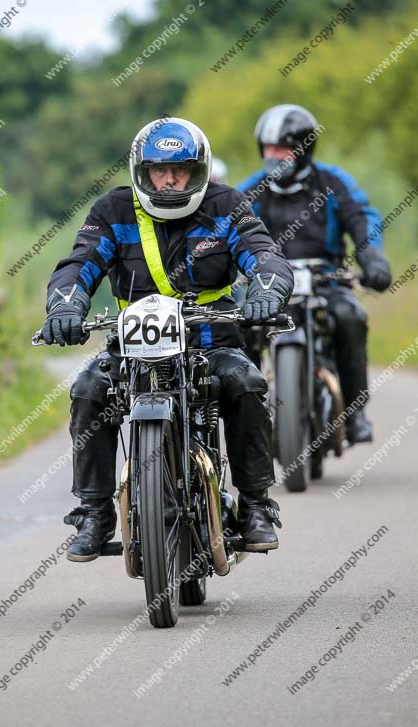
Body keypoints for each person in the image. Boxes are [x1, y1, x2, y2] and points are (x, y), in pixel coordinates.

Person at [42, 117, 293, 562]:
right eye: (160, 170)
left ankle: (255, 506)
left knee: (247, 383)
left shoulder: (227, 205)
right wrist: (65, 307)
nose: (171, 179)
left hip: (211, 342)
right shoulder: (112, 210)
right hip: (132, 348)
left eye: (181, 170)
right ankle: (94, 512)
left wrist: (266, 290)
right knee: (87, 389)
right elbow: (78, 264)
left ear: (199, 172)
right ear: (143, 172)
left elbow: (264, 254)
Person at [238, 104, 391, 444]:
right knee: (239, 327)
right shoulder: (253, 188)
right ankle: (243, 419)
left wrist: (374, 261)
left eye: (283, 149)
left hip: (326, 281)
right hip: (271, 285)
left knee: (350, 317)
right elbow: (228, 226)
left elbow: (362, 218)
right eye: (268, 149)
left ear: (304, 149)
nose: (274, 156)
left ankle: (355, 414)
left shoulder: (332, 182)